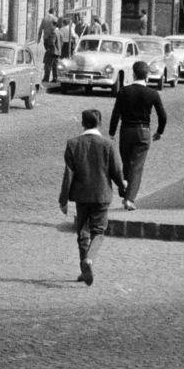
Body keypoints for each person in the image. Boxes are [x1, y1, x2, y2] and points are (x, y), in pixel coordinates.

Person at [59, 108, 130, 287]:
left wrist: (63, 200)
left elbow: (68, 175)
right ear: (100, 123)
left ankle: (84, 269)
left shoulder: (73, 144)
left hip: (81, 196)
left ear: (83, 124)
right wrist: (123, 186)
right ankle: (89, 260)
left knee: (82, 233)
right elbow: (116, 171)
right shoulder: (108, 145)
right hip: (102, 195)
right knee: (98, 231)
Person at [108, 60, 167, 208]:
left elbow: (116, 113)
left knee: (126, 164)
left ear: (133, 74)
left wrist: (111, 132)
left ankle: (125, 190)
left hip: (126, 131)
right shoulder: (152, 93)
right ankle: (129, 199)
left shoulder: (124, 91)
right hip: (143, 132)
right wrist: (159, 131)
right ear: (147, 75)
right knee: (137, 166)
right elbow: (163, 116)